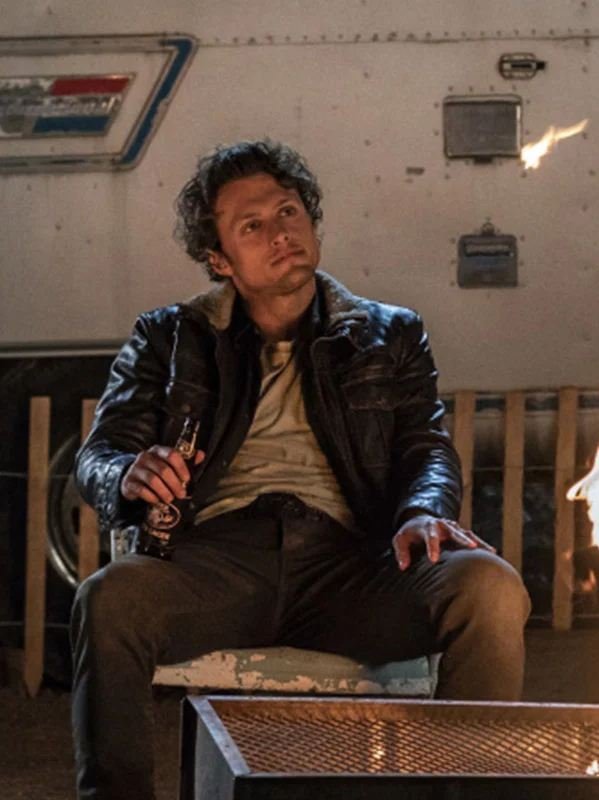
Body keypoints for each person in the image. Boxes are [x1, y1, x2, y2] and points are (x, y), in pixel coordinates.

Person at [71, 140, 531, 799]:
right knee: (109, 598)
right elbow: (97, 457)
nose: (279, 233)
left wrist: (423, 510)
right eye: (252, 226)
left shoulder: (388, 333)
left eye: (288, 212)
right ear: (219, 259)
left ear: (310, 220)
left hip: (351, 564)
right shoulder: (171, 337)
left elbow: (426, 447)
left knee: (489, 588)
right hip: (215, 563)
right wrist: (127, 475)